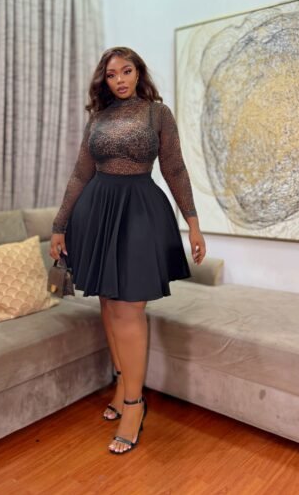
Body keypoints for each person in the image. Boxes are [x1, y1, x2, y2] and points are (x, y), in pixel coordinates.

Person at [50, 46, 206, 455]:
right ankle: (122, 386)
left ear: (139, 73)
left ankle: (135, 406)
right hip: (96, 211)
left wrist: (193, 222)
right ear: (104, 80)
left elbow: (174, 168)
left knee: (128, 307)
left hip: (139, 210)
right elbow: (80, 173)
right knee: (108, 301)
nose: (119, 79)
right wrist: (59, 225)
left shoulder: (158, 114)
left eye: (127, 71)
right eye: (111, 74)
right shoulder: (97, 119)